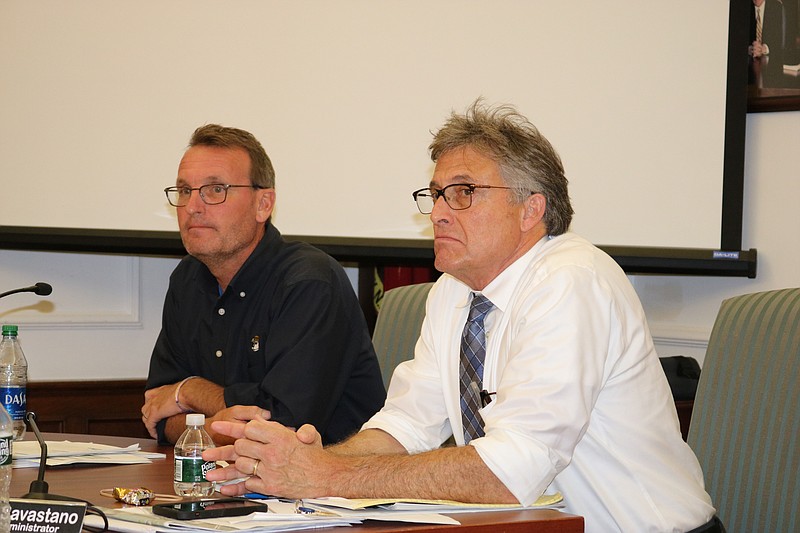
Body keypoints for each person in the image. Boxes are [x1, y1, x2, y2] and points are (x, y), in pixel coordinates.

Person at [203, 102, 720, 532]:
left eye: (465, 193)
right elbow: (407, 424)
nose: (441, 211)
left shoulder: (572, 280)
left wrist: (326, 476)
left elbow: (510, 472)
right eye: (437, 194)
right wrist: (305, 462)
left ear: (530, 210)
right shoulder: (454, 291)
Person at [142, 124, 386, 445]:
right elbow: (158, 415)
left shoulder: (310, 282)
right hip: (226, 481)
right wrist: (216, 423)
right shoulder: (187, 279)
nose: (192, 207)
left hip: (331, 485)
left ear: (264, 204)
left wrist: (190, 392)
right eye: (185, 190)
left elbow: (283, 425)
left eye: (215, 190)